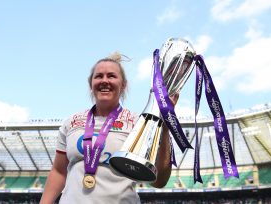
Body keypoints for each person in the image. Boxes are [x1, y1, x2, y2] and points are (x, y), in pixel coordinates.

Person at [40, 52, 179, 204]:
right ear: (90, 84)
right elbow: (59, 172)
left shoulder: (139, 123)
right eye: (99, 76)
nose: (104, 80)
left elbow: (159, 181)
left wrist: (165, 127)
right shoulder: (71, 122)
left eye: (111, 76)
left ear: (123, 85)